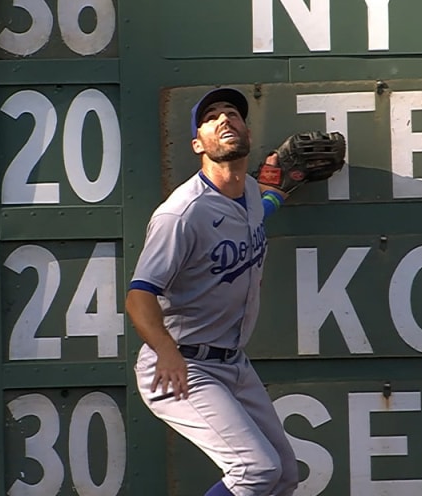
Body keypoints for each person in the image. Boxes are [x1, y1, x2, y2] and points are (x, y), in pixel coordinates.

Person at [126, 87, 298, 496]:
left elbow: (258, 209)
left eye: (232, 114)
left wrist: (283, 190)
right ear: (197, 143)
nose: (224, 119)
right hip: (182, 365)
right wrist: (166, 351)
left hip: (232, 364)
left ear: (247, 135)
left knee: (284, 475)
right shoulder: (182, 212)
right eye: (211, 118)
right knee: (253, 470)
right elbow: (139, 295)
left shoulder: (252, 194)